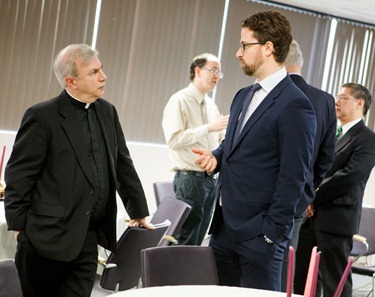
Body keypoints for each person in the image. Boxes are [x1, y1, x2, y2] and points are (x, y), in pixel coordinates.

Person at [4, 44, 154, 297]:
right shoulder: (42, 116)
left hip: (88, 237)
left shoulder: (107, 112)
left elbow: (122, 163)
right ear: (71, 81)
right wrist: (21, 230)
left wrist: (138, 210)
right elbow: (19, 176)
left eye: (101, 69)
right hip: (45, 239)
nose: (103, 77)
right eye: (94, 72)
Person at [193, 10, 316, 291]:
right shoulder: (242, 95)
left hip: (259, 236)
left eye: (244, 45)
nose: (238, 53)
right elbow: (232, 144)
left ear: (268, 48)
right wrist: (217, 157)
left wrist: (271, 234)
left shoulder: (295, 104)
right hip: (224, 227)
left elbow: (293, 177)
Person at [294, 83, 375, 296]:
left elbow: (349, 177)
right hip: (309, 217)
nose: (336, 102)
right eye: (336, 97)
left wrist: (313, 196)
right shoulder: (329, 132)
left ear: (360, 103)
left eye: (343, 98)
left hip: (337, 219)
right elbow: (311, 166)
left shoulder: (367, 138)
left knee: (335, 282)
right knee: (302, 278)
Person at [280, 39, 336, 291]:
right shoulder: (325, 100)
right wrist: (309, 188)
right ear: (300, 62)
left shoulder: (272, 93)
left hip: (264, 198)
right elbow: (327, 155)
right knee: (285, 263)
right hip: (300, 198)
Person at [162, 53, 228, 245]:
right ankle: (174, 276)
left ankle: (187, 275)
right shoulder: (179, 100)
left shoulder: (210, 105)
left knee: (197, 241)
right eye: (213, 70)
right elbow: (174, 139)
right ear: (197, 71)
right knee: (185, 239)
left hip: (209, 181)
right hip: (190, 180)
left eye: (219, 73)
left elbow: (215, 139)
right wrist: (209, 127)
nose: (217, 76)